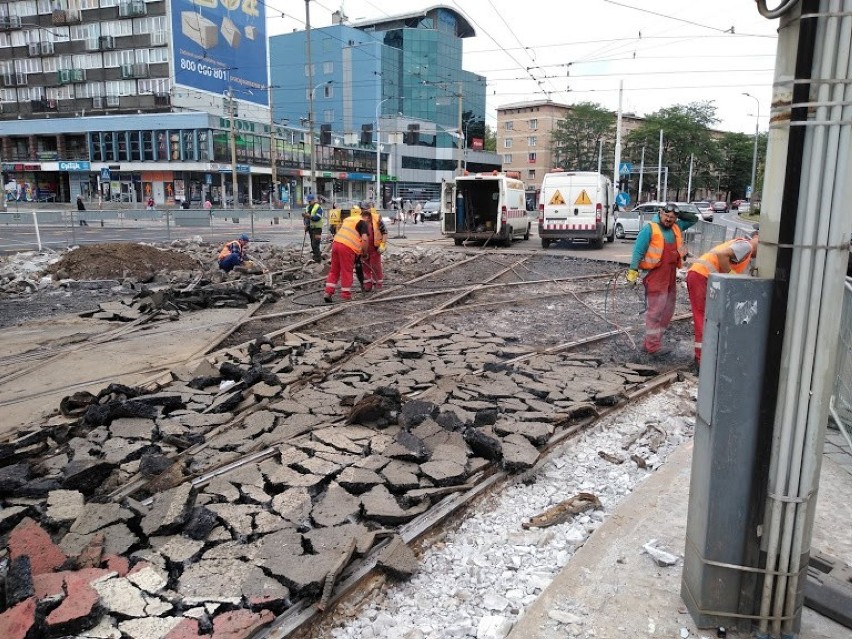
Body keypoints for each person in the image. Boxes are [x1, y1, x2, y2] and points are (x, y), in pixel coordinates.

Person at [626, 202, 698, 355]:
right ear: (660, 212)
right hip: (655, 275)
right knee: (656, 311)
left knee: (668, 310)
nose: (669, 220)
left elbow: (693, 219)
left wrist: (679, 213)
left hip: (670, 274)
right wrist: (633, 271)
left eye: (672, 217)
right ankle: (652, 347)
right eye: (666, 216)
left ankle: (652, 342)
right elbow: (638, 251)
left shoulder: (676, 227)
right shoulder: (650, 229)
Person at [686, 227, 759, 364]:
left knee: (709, 315)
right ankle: (703, 360)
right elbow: (721, 254)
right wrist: (730, 278)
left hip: (702, 275)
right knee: (703, 316)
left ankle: (708, 355)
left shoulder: (744, 249)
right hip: (701, 275)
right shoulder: (746, 246)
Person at [324, 206, 372, 303]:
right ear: (367, 218)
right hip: (347, 248)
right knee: (347, 271)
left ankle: (328, 292)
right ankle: (346, 295)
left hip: (336, 243)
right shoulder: (363, 222)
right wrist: (364, 252)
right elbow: (365, 239)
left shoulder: (349, 219)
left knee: (334, 270)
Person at [361, 201, 388, 292]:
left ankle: (378, 284)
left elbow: (384, 232)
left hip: (375, 248)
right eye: (363, 209)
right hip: (364, 248)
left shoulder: (376, 218)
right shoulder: (358, 219)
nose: (364, 212)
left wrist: (383, 244)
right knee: (365, 267)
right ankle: (368, 284)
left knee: (376, 266)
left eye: (366, 209)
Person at [303, 193, 324, 263]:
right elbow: (306, 218)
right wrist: (306, 225)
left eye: (310, 201)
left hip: (317, 229)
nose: (309, 202)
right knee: (312, 244)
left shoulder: (318, 207)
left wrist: (310, 217)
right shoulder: (308, 207)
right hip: (311, 228)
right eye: (308, 201)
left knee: (315, 244)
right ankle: (315, 257)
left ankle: (318, 259)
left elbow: (317, 218)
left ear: (314, 200)